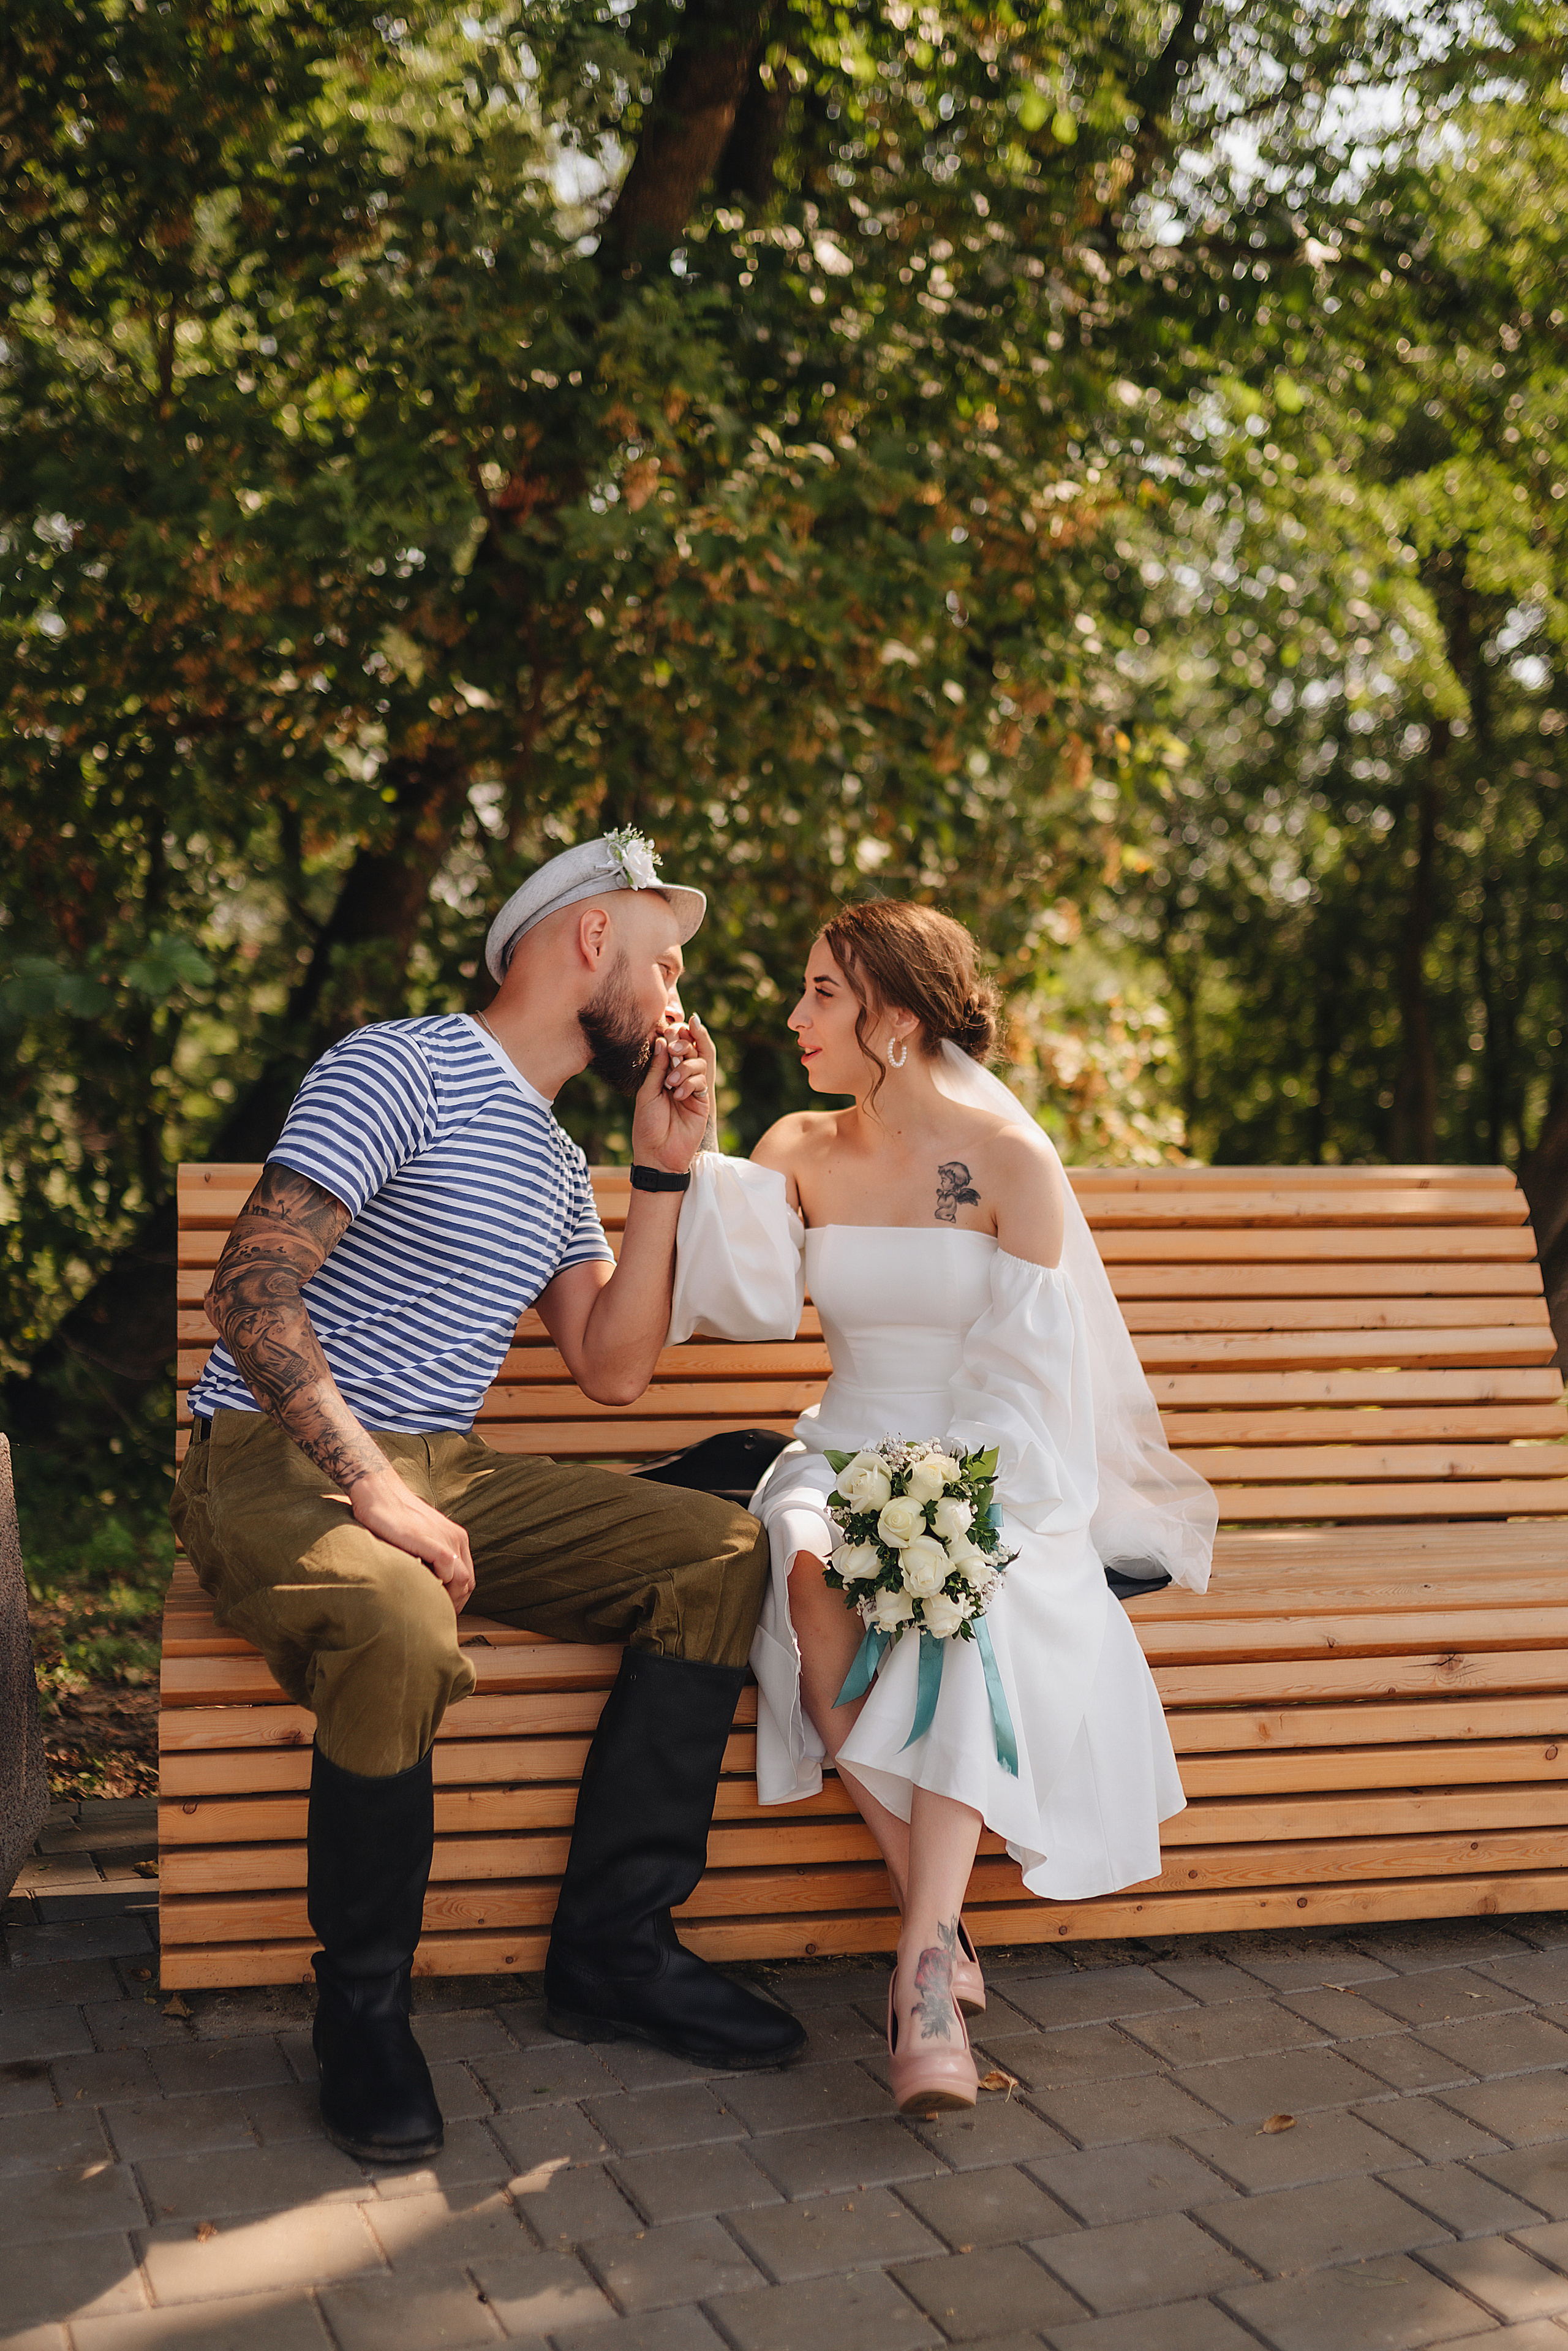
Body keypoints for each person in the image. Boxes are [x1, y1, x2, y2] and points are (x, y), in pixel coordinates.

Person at [173, 831, 806, 2168]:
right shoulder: (397, 1064)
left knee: (716, 1546)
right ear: (590, 940)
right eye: (666, 956)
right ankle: (362, 2012)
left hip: (441, 1468)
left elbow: (612, 1370)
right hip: (275, 1456)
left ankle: (612, 1951)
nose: (679, 992)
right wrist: (371, 1486)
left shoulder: (546, 1153)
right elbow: (250, 1291)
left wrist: (664, 1171)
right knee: (401, 1615)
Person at [667, 900, 1216, 2113]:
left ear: (896, 1017)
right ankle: (942, 1923)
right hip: (840, 1444)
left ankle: (919, 1972)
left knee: (962, 1615)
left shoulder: (1008, 1163)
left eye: (822, 991)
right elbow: (738, 1303)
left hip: (988, 1459)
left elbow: (1032, 1373)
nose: (795, 1013)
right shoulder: (795, 1144)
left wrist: (951, 1501)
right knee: (803, 1566)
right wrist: (697, 1145)